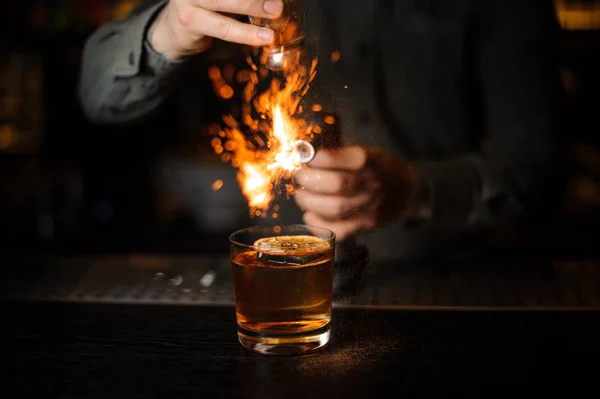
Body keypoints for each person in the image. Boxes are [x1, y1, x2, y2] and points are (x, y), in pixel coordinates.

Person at [78, 0, 565, 261]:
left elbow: (539, 167)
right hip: (271, 285)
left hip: (443, 290)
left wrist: (417, 190)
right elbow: (97, 98)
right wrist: (168, 27)